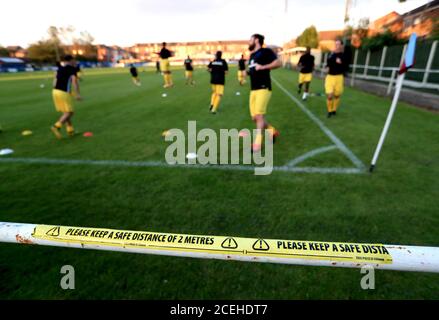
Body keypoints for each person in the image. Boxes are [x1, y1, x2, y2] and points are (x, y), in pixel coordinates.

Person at [247, 34, 281, 152]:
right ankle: (271, 131)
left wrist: (263, 67)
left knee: (259, 116)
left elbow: (278, 63)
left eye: (250, 40)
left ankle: (257, 143)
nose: (248, 42)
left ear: (257, 40)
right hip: (253, 90)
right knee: (254, 117)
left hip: (263, 87)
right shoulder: (252, 55)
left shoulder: (266, 51)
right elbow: (253, 69)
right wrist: (248, 73)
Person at [51, 55, 82, 139]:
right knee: (70, 112)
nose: (75, 62)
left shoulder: (60, 68)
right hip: (63, 92)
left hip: (55, 91)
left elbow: (54, 82)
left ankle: (70, 130)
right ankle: (56, 126)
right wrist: (77, 94)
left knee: (65, 112)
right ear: (71, 60)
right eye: (74, 60)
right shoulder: (71, 69)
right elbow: (74, 82)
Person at [325, 39, 347, 118]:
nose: (337, 46)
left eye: (338, 44)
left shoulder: (344, 56)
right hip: (330, 77)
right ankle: (329, 111)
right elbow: (328, 64)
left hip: (339, 77)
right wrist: (327, 68)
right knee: (330, 95)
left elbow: (346, 67)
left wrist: (341, 63)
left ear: (341, 46)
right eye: (336, 44)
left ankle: (334, 109)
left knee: (337, 96)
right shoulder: (331, 55)